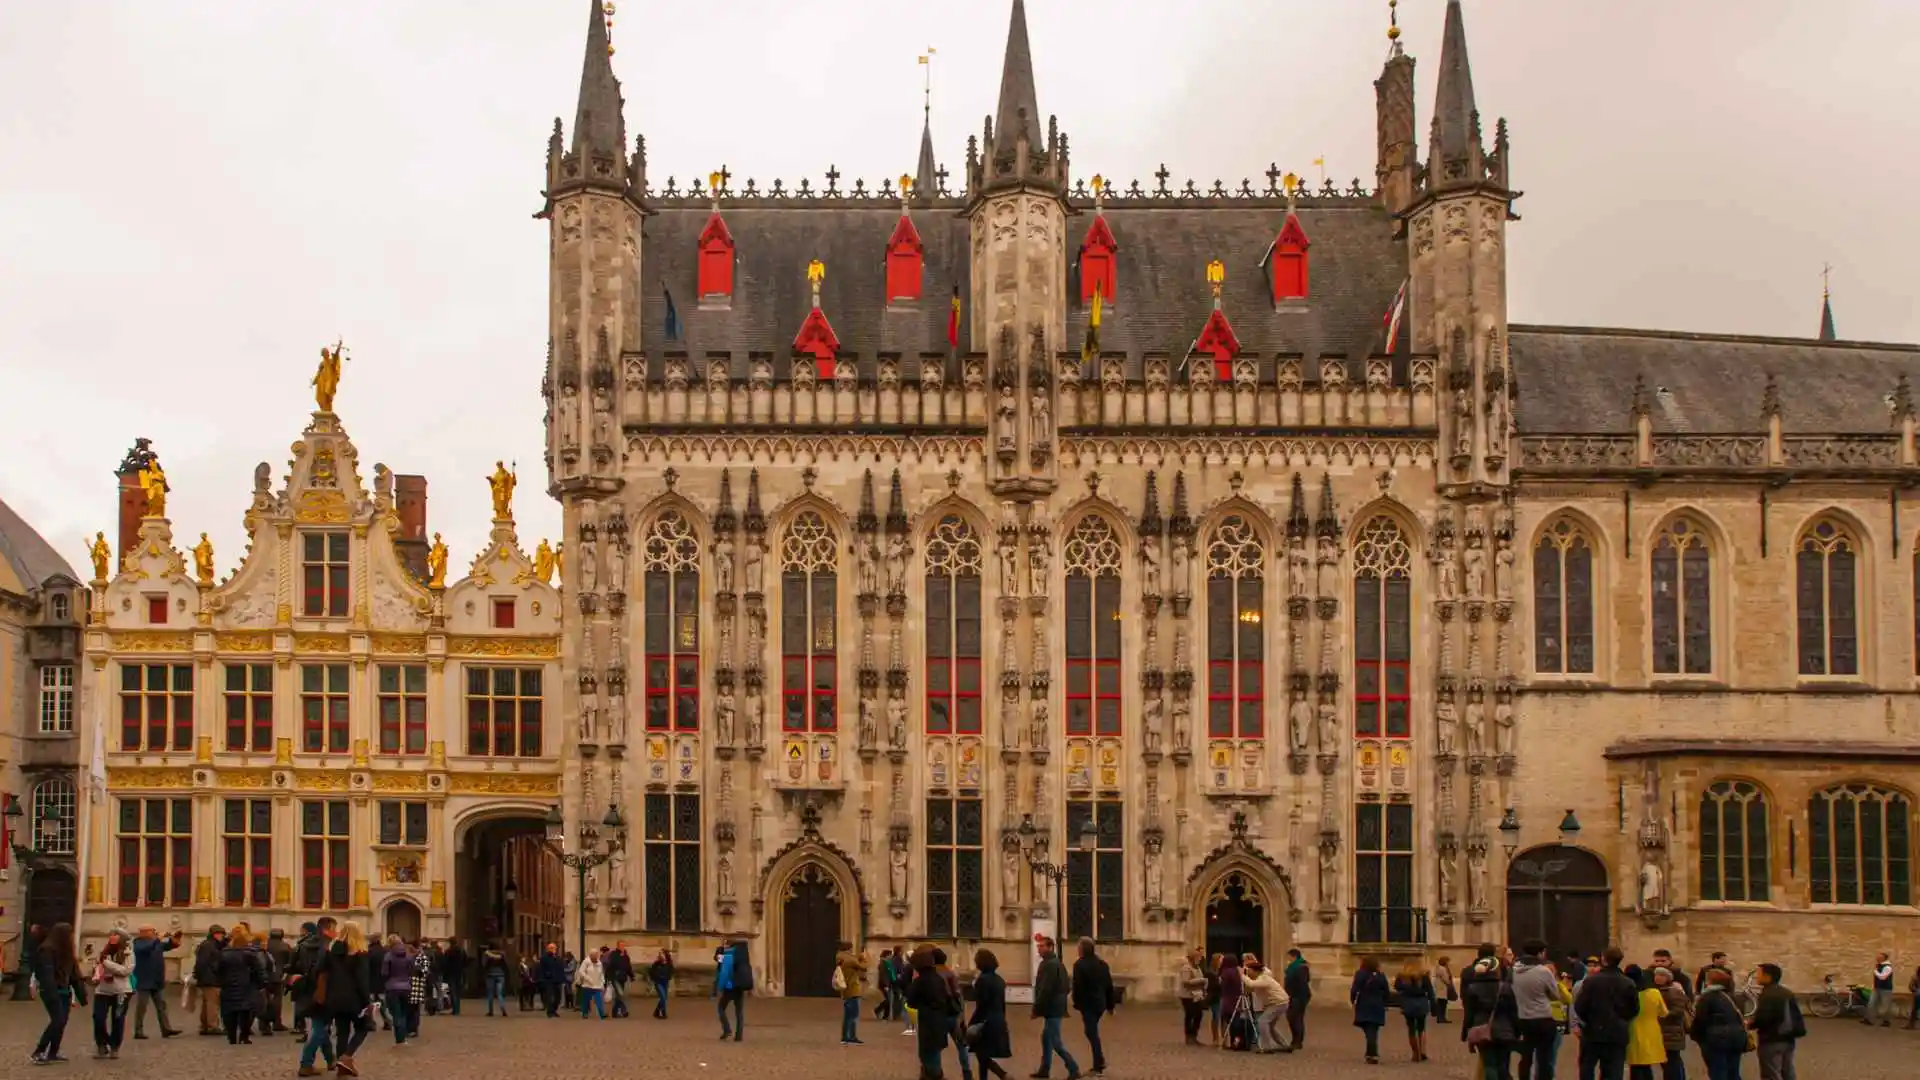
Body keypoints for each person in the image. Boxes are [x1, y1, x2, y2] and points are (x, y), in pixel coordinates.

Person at [1574, 946, 1642, 1080]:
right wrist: (1622, 1020)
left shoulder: (1591, 980)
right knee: (1614, 1069)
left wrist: (1588, 1020)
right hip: (1617, 1031)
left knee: (1587, 1066)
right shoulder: (1627, 982)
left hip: (1593, 1030)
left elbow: (1580, 1006)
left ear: (1603, 960)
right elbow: (1634, 1008)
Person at [1460, 943, 1519, 1080]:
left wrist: (1466, 1032)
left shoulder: (1473, 989)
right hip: (1505, 1029)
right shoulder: (1505, 987)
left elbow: (1469, 1013)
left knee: (1489, 1065)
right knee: (1503, 1065)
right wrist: (1517, 1030)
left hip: (1482, 1028)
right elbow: (1513, 1010)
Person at [1029, 936, 1081, 1079]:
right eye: (1038, 946)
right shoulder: (1056, 963)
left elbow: (1045, 989)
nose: (1039, 949)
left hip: (1053, 1009)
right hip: (1055, 1008)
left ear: (1050, 947)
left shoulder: (1050, 965)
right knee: (1046, 1038)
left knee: (1054, 1040)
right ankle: (1045, 1069)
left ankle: (1073, 1068)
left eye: (1042, 946)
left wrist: (1036, 1008)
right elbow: (1066, 986)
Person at [32, 922, 81, 1064]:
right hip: (51, 991)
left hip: (64, 990)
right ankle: (39, 1051)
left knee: (62, 1022)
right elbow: (46, 975)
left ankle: (53, 1052)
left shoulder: (66, 950)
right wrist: (51, 992)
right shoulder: (46, 949)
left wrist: (80, 993)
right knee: (57, 1020)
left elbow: (74, 974)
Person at [1512, 939, 1562, 1080]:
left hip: (1523, 1018)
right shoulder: (1543, 971)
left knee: (1526, 1057)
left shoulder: (1515, 971)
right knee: (1544, 1057)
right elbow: (1555, 995)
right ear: (1540, 953)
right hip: (1543, 1019)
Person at [905, 945, 957, 1080]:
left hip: (928, 1021)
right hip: (940, 1020)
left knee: (927, 1056)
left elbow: (911, 1002)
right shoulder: (938, 978)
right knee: (934, 1053)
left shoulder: (920, 981)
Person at [1687, 968, 1748, 1080]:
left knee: (1717, 1071)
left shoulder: (1707, 997)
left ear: (1709, 982)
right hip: (1737, 1036)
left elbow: (1700, 1019)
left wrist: (1694, 1035)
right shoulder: (1736, 997)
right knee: (1733, 1071)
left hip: (1716, 1038)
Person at [1748, 963, 1802, 1080]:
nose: (1756, 977)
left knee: (1771, 1073)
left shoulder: (1767, 994)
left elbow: (1763, 1018)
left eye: (1758, 974)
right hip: (1788, 1039)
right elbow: (1796, 1016)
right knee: (1787, 1071)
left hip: (1771, 1039)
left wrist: (1749, 1024)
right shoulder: (1787, 992)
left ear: (1768, 976)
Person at [1071, 938, 1116, 1074]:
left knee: (1091, 1032)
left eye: (1079, 948)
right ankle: (1099, 1061)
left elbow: (1077, 986)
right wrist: (1110, 1005)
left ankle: (1099, 1063)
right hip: (1100, 1004)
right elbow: (1109, 986)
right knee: (1091, 1031)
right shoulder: (1103, 964)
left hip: (1088, 1004)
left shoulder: (1079, 965)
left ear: (1083, 949)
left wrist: (1076, 1003)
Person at [967, 948, 1013, 1080]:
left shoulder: (983, 980)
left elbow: (981, 1004)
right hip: (997, 1018)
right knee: (983, 1053)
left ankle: (1002, 1074)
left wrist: (973, 1022)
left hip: (986, 1020)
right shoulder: (999, 979)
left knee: (981, 1053)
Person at [130, 926, 183, 1039]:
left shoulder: (156, 943)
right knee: (142, 1007)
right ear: (144, 932)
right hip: (144, 979)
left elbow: (169, 946)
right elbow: (147, 948)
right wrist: (158, 939)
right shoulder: (138, 944)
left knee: (162, 1005)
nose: (154, 932)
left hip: (157, 979)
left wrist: (175, 939)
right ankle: (138, 1031)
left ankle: (166, 1029)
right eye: (152, 931)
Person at [89, 931, 134, 1059]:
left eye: (116, 937)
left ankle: (114, 1046)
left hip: (121, 991)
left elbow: (126, 971)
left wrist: (107, 964)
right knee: (98, 1018)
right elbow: (97, 966)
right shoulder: (103, 952)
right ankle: (102, 1044)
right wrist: (96, 971)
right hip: (102, 990)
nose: (112, 939)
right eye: (111, 937)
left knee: (118, 1019)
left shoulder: (128, 953)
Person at [217, 926, 264, 1045]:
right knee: (245, 1012)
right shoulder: (250, 954)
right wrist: (260, 983)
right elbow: (259, 970)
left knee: (229, 1012)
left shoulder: (223, 954)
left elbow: (217, 969)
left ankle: (231, 1036)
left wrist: (221, 982)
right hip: (246, 986)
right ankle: (244, 1035)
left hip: (228, 987)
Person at [1626, 965, 1670, 1080]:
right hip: (1651, 1030)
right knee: (1646, 1064)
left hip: (1632, 1030)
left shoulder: (1628, 992)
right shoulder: (1654, 993)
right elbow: (1664, 1013)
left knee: (1635, 1064)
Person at [287, 922, 326, 1042]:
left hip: (304, 978)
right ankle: (322, 1030)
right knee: (319, 1005)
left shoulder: (301, 945)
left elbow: (293, 963)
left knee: (304, 1005)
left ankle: (306, 1031)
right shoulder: (323, 944)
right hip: (320, 978)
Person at [1243, 955, 1291, 1053]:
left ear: (1255, 971)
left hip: (1278, 1003)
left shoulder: (1264, 978)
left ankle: (1266, 1047)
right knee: (1270, 1025)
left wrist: (1241, 975)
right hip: (1278, 1002)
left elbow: (1251, 984)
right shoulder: (1259, 979)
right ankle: (1284, 1045)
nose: (1248, 974)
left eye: (1249, 971)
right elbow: (1251, 988)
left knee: (1262, 1021)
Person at [1350, 954, 1391, 1064]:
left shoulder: (1360, 974)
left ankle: (1372, 1053)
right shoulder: (1381, 976)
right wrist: (1385, 1002)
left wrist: (1353, 1000)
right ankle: (1371, 1052)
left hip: (1364, 1002)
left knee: (1369, 1029)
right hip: (1377, 1003)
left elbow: (1354, 989)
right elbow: (1386, 991)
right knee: (1373, 1029)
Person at [1651, 966, 1690, 1080]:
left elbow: (1678, 1011)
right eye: (1656, 975)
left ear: (1667, 978)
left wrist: (1662, 1014)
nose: (1657, 978)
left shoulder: (1673, 991)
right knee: (1670, 1062)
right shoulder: (1658, 991)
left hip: (1672, 1032)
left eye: (1661, 975)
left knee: (1671, 1062)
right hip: (1665, 1032)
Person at [1395, 958, 1435, 1062]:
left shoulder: (1402, 976)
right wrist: (1434, 1005)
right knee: (1421, 1028)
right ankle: (1422, 1051)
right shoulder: (1424, 976)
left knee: (1411, 1029)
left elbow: (1397, 988)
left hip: (1408, 1002)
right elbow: (1430, 992)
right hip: (1421, 1002)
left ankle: (1415, 1052)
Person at [194, 924, 228, 1035]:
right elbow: (204, 963)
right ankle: (212, 1025)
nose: (221, 936)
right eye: (220, 934)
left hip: (206, 978)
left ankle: (205, 1025)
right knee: (213, 1003)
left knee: (207, 1003)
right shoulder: (210, 946)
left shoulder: (208, 945)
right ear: (214, 934)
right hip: (211, 978)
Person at [716, 939, 751, 1040]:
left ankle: (727, 1029)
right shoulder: (743, 956)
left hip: (730, 987)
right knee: (739, 1012)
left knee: (721, 1008)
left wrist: (720, 986)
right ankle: (739, 1035)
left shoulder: (728, 955)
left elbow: (725, 973)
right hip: (740, 986)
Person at [835, 940, 869, 1044]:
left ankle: (845, 1036)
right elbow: (864, 967)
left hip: (846, 989)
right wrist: (864, 958)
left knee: (847, 1015)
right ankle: (851, 1037)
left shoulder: (840, 957)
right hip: (853, 988)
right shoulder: (849, 959)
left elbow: (853, 961)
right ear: (848, 948)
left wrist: (858, 957)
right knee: (854, 1015)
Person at [264, 928, 293, 1034]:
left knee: (265, 1000)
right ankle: (277, 1022)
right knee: (277, 1000)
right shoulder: (285, 946)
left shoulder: (265, 945)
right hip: (279, 976)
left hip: (265, 975)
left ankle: (264, 1023)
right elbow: (290, 962)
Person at [1283, 948, 1313, 1049]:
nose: (1288, 959)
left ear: (1294, 957)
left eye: (1289, 957)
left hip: (1298, 996)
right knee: (1292, 1017)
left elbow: (1303, 983)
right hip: (1293, 996)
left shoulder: (1300, 967)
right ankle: (1295, 1039)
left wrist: (1296, 996)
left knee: (1296, 1018)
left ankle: (1298, 1041)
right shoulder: (1293, 967)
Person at [1176, 949, 1208, 1045]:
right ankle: (1189, 1036)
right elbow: (1186, 982)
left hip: (1196, 995)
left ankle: (1194, 1035)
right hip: (1187, 996)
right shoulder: (1186, 968)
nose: (1199, 959)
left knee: (1198, 1014)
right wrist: (1201, 980)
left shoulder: (1197, 968)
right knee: (1190, 1015)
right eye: (1197, 957)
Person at [1216, 953, 1245, 1050]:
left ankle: (1231, 1042)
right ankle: (1236, 1041)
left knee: (1228, 1020)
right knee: (1235, 1020)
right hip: (1237, 999)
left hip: (1228, 999)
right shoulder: (1237, 971)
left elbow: (1222, 984)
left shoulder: (1226, 972)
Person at [575, 947, 608, 1019]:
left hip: (597, 985)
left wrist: (603, 981)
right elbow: (581, 971)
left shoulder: (599, 963)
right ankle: (585, 1013)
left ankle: (601, 1013)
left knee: (599, 1000)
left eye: (596, 955)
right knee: (586, 1000)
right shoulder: (586, 962)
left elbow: (601, 973)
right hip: (587, 985)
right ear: (591, 955)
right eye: (594, 955)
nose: (595, 957)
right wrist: (588, 978)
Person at [536, 942, 566, 1018]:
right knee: (549, 996)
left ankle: (554, 1010)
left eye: (554, 948)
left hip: (558, 980)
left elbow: (561, 968)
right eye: (552, 948)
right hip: (548, 980)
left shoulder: (558, 958)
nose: (554, 949)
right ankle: (549, 1012)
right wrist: (547, 974)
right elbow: (542, 969)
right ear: (548, 949)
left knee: (558, 997)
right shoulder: (544, 958)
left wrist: (562, 978)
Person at [1865, 952, 1895, 1027]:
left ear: (1883, 958)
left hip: (1886, 989)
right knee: (1871, 1003)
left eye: (1879, 957)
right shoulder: (1879, 966)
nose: (1877, 958)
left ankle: (1886, 1021)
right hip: (1877, 988)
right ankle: (1870, 1019)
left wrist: (1875, 972)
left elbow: (1882, 977)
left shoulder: (1888, 967)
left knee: (1885, 1006)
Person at [480, 941, 509, 1017]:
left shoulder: (486, 954)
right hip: (501, 975)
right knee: (500, 994)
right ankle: (502, 1008)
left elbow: (483, 964)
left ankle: (490, 1011)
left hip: (490, 975)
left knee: (490, 993)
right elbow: (506, 964)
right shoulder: (502, 954)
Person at [605, 943, 633, 1018]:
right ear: (617, 946)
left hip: (622, 978)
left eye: (624, 945)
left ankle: (614, 1012)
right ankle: (624, 1010)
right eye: (621, 946)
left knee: (618, 996)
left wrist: (631, 976)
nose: (623, 947)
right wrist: (607, 977)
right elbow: (610, 965)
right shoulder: (613, 955)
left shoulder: (626, 956)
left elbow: (628, 967)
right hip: (615, 978)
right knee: (620, 994)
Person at [441, 939, 468, 1015]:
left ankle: (455, 1009)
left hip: (450, 974)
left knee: (453, 992)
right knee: (458, 992)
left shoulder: (448, 952)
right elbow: (466, 962)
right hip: (459, 973)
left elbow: (445, 963)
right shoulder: (462, 951)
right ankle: (457, 1009)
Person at [1204, 954, 1224, 1047]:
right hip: (1215, 997)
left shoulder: (1219, 971)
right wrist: (1220, 982)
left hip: (1221, 997)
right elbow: (1213, 985)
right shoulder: (1210, 972)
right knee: (1216, 1017)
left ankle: (1222, 1037)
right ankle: (1215, 1038)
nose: (1222, 962)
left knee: (1221, 1017)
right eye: (1221, 960)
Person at [648, 948, 674, 1019]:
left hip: (665, 982)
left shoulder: (669, 964)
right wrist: (656, 978)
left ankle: (656, 1011)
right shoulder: (656, 963)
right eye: (660, 954)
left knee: (664, 998)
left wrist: (668, 977)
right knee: (663, 998)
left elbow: (671, 972)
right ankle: (663, 1013)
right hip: (658, 982)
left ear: (665, 954)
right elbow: (651, 972)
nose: (660, 955)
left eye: (662, 953)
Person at [1436, 956, 1457, 1024]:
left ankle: (1441, 1018)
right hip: (1443, 988)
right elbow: (1445, 978)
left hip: (1440, 988)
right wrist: (1449, 984)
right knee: (1442, 1004)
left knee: (1441, 1003)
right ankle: (1441, 1018)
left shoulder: (1439, 968)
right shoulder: (1442, 969)